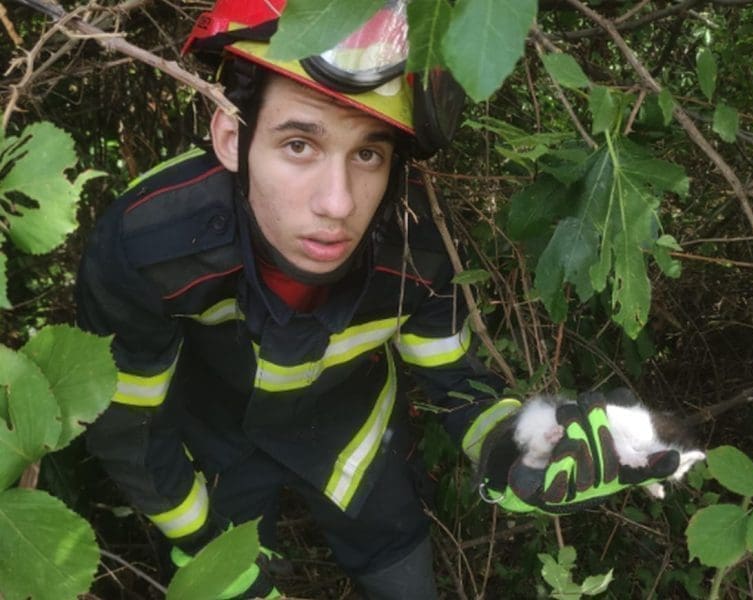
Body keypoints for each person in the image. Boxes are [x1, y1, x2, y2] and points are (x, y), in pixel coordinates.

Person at [75, 1, 680, 598]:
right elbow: (130, 426)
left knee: (399, 566)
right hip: (212, 443)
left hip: (353, 439)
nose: (337, 204)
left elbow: (457, 382)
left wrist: (517, 451)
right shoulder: (151, 242)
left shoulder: (417, 245)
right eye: (298, 145)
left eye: (367, 153)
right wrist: (204, 545)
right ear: (233, 137)